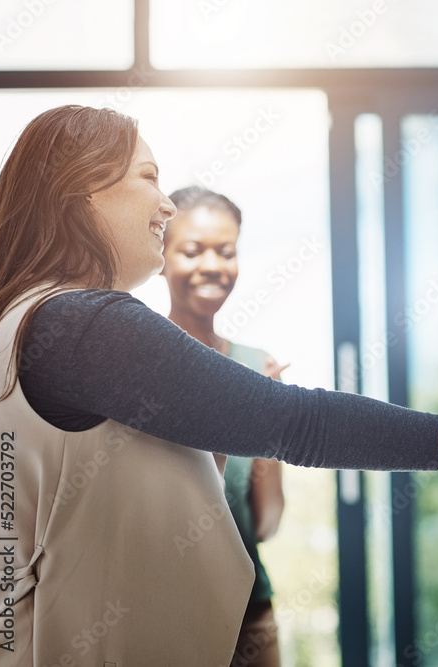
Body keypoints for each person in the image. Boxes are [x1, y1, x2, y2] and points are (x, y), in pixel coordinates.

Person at [0, 104, 438, 666]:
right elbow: (294, 422)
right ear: (83, 191)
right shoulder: (83, 324)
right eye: (148, 176)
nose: (166, 204)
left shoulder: (26, 321)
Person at [161, 185, 286, 667]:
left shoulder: (258, 367)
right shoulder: (135, 366)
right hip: (161, 614)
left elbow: (268, 522)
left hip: (250, 616)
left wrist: (269, 424)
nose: (212, 265)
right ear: (162, 256)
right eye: (192, 250)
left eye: (226, 251)